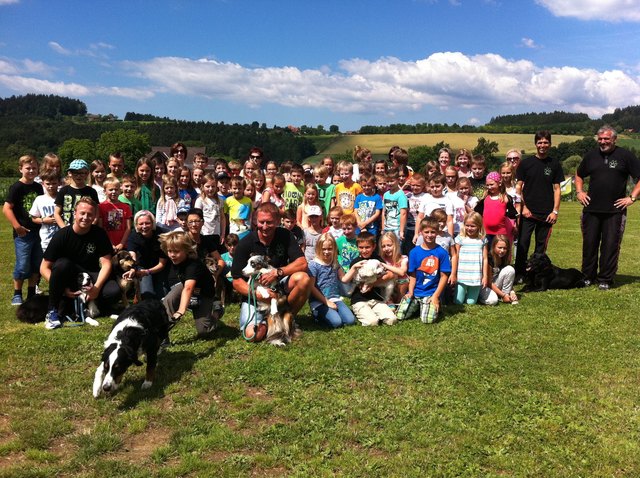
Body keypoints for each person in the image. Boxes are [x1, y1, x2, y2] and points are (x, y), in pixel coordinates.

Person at [231, 202, 311, 341]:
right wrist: (258, 295)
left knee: (303, 278)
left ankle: (286, 318)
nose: (265, 226)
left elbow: (302, 263)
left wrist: (277, 272)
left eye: (269, 222)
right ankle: (268, 324)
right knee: (253, 335)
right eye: (261, 222)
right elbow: (237, 281)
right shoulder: (245, 243)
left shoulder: (285, 235)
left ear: (277, 221)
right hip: (255, 296)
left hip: (278, 288)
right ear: (256, 221)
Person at [575, 125, 640, 289]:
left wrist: (631, 197)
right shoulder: (591, 156)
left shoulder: (625, 156)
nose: (603, 142)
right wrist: (579, 192)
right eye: (600, 139)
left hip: (615, 211)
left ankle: (605, 279)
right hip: (591, 209)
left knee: (610, 245)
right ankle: (587, 276)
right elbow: (579, 174)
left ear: (614, 139)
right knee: (589, 244)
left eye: (606, 139)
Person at [40, 198, 120, 329]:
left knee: (113, 291)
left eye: (90, 214)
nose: (85, 217)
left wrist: (97, 288)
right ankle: (52, 311)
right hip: (69, 275)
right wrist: (61, 288)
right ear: (74, 214)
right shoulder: (62, 235)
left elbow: (106, 263)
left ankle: (96, 307)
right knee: (62, 263)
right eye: (82, 213)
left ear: (95, 216)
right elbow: (44, 268)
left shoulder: (99, 234)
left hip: (90, 274)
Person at [514, 131, 564, 279]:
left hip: (546, 214)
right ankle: (520, 274)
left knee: (540, 247)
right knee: (523, 244)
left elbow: (557, 189)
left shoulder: (554, 164)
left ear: (550, 144)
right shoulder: (526, 164)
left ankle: (536, 274)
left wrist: (555, 211)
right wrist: (524, 207)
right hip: (528, 213)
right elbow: (519, 187)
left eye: (545, 142)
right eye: (540, 142)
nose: (543, 145)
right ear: (535, 144)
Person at [160, 231, 222, 339]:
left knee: (204, 332)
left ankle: (217, 311)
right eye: (169, 251)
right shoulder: (175, 259)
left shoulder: (193, 265)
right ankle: (162, 332)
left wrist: (181, 310)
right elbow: (185, 286)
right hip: (186, 286)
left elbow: (189, 288)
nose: (172, 255)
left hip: (204, 293)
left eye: (176, 251)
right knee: (169, 299)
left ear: (186, 250)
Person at [3, 154, 43, 305]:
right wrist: (17, 226)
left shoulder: (38, 187)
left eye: (34, 168)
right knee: (23, 264)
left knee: (36, 263)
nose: (31, 170)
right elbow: (7, 209)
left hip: (38, 231)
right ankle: (17, 293)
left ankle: (31, 292)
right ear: (21, 169)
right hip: (23, 234)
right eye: (28, 168)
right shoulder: (17, 187)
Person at [396, 217, 451, 323]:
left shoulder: (442, 252)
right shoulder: (414, 252)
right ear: (421, 232)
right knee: (400, 316)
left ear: (437, 233)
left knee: (427, 320)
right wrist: (410, 292)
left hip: (431, 292)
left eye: (433, 232)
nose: (429, 235)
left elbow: (444, 276)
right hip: (416, 291)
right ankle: (418, 306)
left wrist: (435, 296)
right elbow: (412, 275)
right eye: (426, 232)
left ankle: (434, 305)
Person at [341, 231, 397, 326]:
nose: (364, 250)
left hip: (376, 299)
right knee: (372, 322)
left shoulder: (377, 260)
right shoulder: (356, 262)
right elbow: (347, 280)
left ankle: (375, 312)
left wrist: (372, 283)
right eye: (361, 247)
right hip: (359, 299)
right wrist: (354, 269)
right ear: (357, 247)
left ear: (374, 247)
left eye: (367, 247)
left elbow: (390, 274)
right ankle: (360, 311)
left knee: (392, 319)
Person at [308, 233, 356, 328]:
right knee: (336, 323)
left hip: (334, 298)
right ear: (318, 248)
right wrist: (327, 302)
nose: (326, 252)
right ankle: (316, 314)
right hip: (319, 301)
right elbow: (311, 287)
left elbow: (344, 279)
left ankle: (333, 312)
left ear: (334, 249)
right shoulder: (313, 265)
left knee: (350, 321)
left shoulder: (334, 262)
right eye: (323, 249)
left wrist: (354, 268)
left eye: (329, 249)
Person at [124, 210, 170, 300]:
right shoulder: (133, 236)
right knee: (147, 295)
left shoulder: (162, 235)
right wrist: (132, 269)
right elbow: (132, 255)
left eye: (147, 223)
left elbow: (162, 264)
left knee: (162, 296)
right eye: (141, 224)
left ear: (153, 223)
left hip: (160, 268)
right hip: (142, 268)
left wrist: (148, 272)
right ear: (136, 225)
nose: (144, 226)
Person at [452, 212, 488, 305]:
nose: (469, 228)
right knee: (458, 302)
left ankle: (479, 294)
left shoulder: (482, 239)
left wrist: (485, 276)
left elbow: (485, 259)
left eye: (473, 226)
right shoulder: (460, 238)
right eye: (467, 225)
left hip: (476, 275)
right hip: (462, 275)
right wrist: (454, 273)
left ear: (479, 226)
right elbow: (456, 257)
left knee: (471, 303)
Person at [54, 159, 99, 227]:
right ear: (70, 173)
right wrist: (64, 229)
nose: (78, 176)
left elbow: (96, 213)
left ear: (87, 174)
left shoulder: (91, 192)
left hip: (86, 230)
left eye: (81, 173)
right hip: (67, 229)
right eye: (75, 173)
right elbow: (56, 213)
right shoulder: (63, 191)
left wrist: (90, 227)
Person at [478, 235, 518, 305]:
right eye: (499, 248)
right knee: (493, 301)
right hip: (485, 285)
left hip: (495, 283)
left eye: (505, 248)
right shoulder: (489, 258)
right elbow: (488, 283)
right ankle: (479, 296)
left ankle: (507, 295)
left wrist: (512, 292)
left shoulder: (505, 257)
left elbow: (508, 279)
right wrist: (503, 295)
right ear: (493, 247)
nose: (502, 251)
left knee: (510, 269)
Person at [97, 177, 132, 252]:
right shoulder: (100, 207)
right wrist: (109, 243)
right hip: (107, 244)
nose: (114, 192)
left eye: (116, 189)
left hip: (123, 245)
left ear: (120, 190)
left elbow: (128, 228)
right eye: (110, 190)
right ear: (105, 191)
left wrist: (122, 243)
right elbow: (101, 228)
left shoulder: (126, 207)